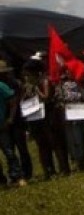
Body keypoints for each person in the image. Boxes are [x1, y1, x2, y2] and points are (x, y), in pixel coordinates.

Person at [21, 56, 70, 177]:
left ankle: (64, 168)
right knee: (42, 145)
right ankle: (48, 170)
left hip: (50, 115)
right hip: (37, 118)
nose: (27, 77)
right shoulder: (28, 86)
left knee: (56, 142)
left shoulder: (45, 81)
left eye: (28, 75)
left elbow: (46, 97)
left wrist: (37, 90)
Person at [54, 60, 84, 171]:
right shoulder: (62, 85)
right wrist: (63, 106)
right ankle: (81, 165)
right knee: (77, 142)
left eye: (69, 70)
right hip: (73, 116)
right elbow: (58, 100)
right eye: (66, 71)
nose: (67, 73)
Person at [0, 59, 27, 187]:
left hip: (2, 125)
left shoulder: (2, 86)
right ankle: (2, 180)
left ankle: (17, 176)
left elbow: (13, 101)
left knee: (9, 151)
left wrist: (10, 118)